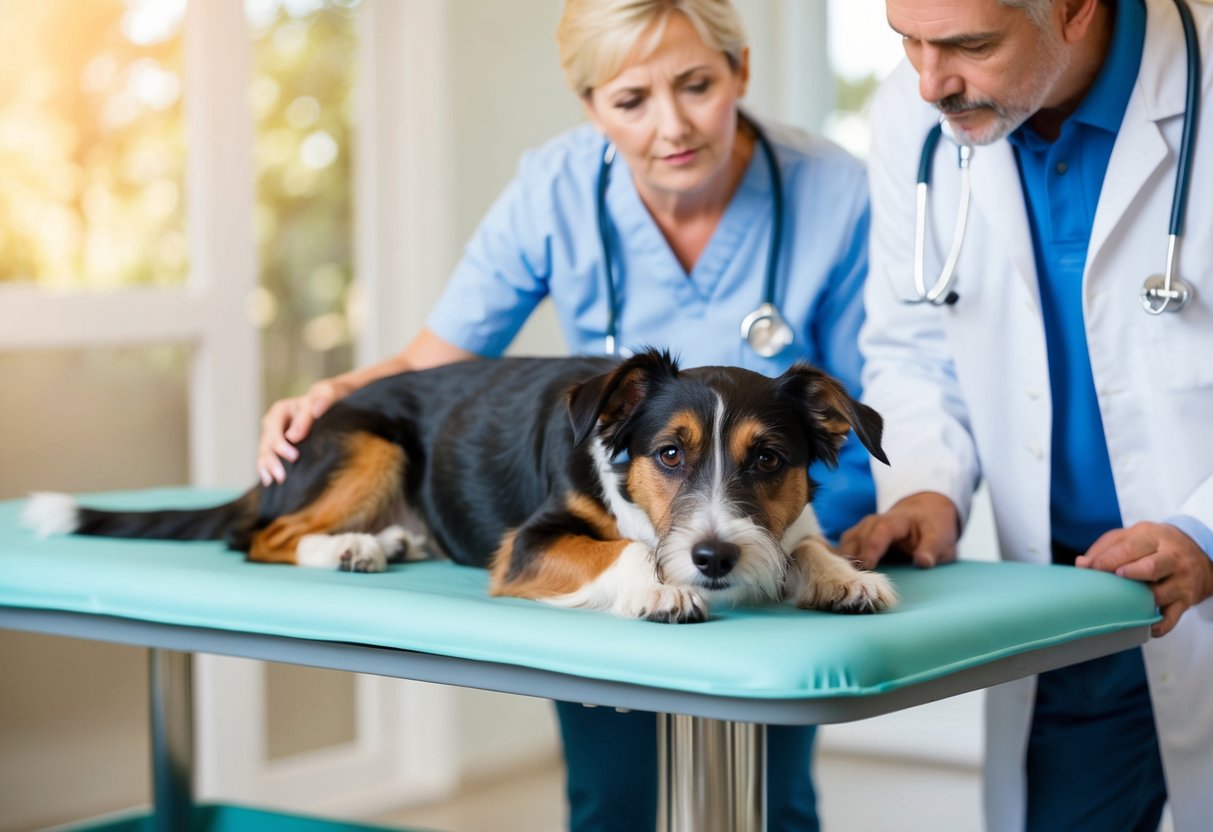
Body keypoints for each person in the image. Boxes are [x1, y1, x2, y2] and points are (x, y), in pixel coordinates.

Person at [256, 2, 874, 830]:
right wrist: (334, 399)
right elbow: (434, 360)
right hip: (612, 517)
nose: (672, 126)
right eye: (630, 101)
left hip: (785, 525)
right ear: (588, 107)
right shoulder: (554, 188)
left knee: (772, 793)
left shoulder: (832, 191)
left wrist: (879, 520)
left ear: (741, 72)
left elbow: (888, 387)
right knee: (610, 796)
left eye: (696, 84)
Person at [845, 0, 1213, 829]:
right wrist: (927, 489)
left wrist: (1204, 531)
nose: (928, 82)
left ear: (1077, 10)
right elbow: (911, 348)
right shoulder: (915, 120)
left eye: (968, 45)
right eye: (906, 41)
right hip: (1075, 602)